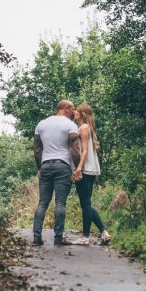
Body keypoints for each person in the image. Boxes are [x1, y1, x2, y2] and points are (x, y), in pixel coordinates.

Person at [32, 100, 81, 246]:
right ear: (65, 109)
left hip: (46, 165)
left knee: (42, 203)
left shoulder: (41, 124)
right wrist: (78, 169)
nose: (74, 112)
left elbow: (36, 149)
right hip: (62, 166)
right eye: (72, 109)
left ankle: (36, 237)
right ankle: (58, 238)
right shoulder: (70, 125)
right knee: (60, 202)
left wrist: (40, 167)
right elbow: (75, 150)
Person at [73, 103, 111, 245]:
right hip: (91, 169)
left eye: (77, 110)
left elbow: (84, 151)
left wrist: (78, 168)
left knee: (86, 204)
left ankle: (85, 237)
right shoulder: (88, 128)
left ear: (82, 114)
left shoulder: (83, 128)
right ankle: (103, 232)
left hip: (85, 169)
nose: (75, 112)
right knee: (86, 204)